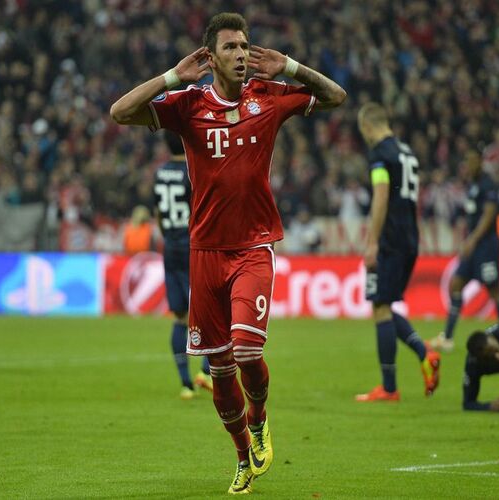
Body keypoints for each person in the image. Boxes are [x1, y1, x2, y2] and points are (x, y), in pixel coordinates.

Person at [109, 12, 346, 494]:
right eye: (231, 48)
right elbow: (120, 112)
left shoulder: (268, 96)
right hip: (205, 253)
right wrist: (173, 76)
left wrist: (292, 68)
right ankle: (242, 457)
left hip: (253, 246)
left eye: (244, 46)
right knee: (219, 368)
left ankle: (258, 418)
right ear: (211, 57)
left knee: (247, 351)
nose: (241, 55)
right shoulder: (189, 104)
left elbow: (336, 97)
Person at [354, 102, 441, 403]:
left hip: (390, 240)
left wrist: (372, 242)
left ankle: (389, 388)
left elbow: (381, 197)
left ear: (367, 126)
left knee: (380, 307)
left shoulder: (380, 154)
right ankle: (424, 352)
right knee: (385, 305)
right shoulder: (406, 153)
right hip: (410, 239)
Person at [153, 131, 213, 400]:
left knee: (180, 316)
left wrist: (169, 237)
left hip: (170, 247)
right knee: (211, 308)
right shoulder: (192, 171)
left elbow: (158, 213)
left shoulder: (160, 173)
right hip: (193, 246)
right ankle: (207, 371)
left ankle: (186, 385)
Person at [431, 150, 499, 353]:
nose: (468, 166)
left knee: (494, 290)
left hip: (486, 246)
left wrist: (472, 239)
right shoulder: (473, 186)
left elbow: (489, 215)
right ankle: (447, 338)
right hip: (473, 246)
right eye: (466, 162)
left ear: (480, 163)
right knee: (456, 285)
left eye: (471, 161)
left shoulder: (488, 185)